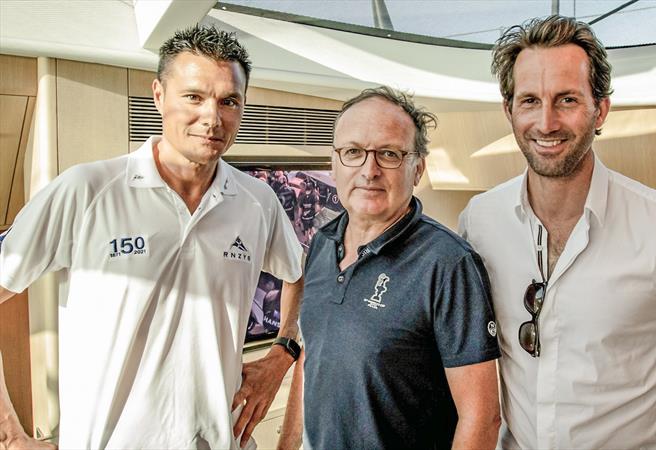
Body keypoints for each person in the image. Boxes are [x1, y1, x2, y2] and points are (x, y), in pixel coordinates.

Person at [459, 15, 656, 450]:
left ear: (600, 108)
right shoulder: (478, 220)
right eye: (530, 100)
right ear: (509, 110)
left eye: (567, 100)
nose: (547, 122)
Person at [0, 25, 304, 450]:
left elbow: (298, 274)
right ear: (159, 95)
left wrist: (282, 351)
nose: (212, 118)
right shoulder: (86, 190)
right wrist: (11, 436)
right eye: (194, 97)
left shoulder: (257, 201)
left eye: (228, 101)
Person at [283, 86, 502, 449]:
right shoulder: (321, 245)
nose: (369, 170)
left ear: (418, 169)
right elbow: (312, 360)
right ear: (334, 164)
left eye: (389, 154)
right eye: (353, 152)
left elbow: (481, 417)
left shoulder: (448, 264)